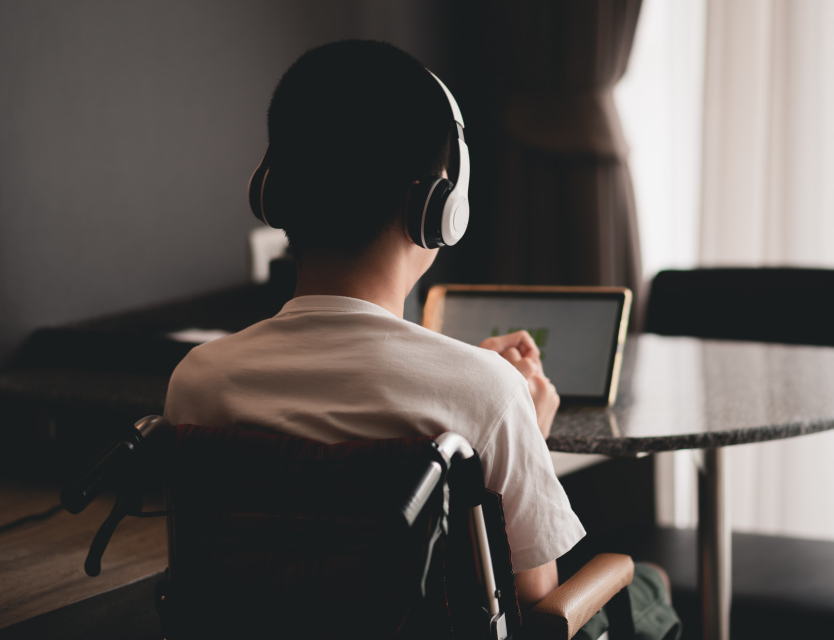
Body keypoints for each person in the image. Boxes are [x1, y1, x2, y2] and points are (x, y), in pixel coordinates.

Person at [164, 40, 679, 638]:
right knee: (647, 584)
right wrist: (523, 434)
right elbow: (536, 606)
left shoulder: (197, 380)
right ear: (439, 209)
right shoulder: (489, 395)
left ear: (272, 192)